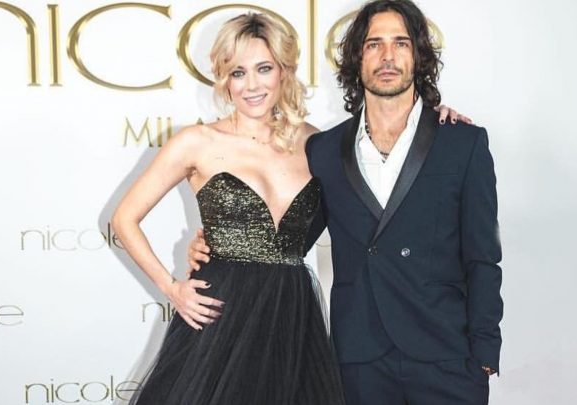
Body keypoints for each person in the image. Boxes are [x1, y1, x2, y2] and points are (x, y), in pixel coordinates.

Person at [115, 10, 465, 405]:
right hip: (219, 316)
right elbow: (124, 218)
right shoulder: (196, 142)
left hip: (291, 319)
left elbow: (384, 174)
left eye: (264, 68)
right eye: (238, 72)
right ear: (224, 79)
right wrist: (172, 288)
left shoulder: (319, 145)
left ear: (284, 71)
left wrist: (433, 120)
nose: (252, 85)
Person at [189, 1, 502, 404]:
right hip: (360, 362)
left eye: (401, 43)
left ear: (418, 55)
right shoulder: (324, 149)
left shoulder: (461, 142)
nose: (387, 56)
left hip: (445, 357)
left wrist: (484, 354)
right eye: (374, 44)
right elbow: (290, 238)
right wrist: (224, 242)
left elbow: (483, 257)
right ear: (357, 57)